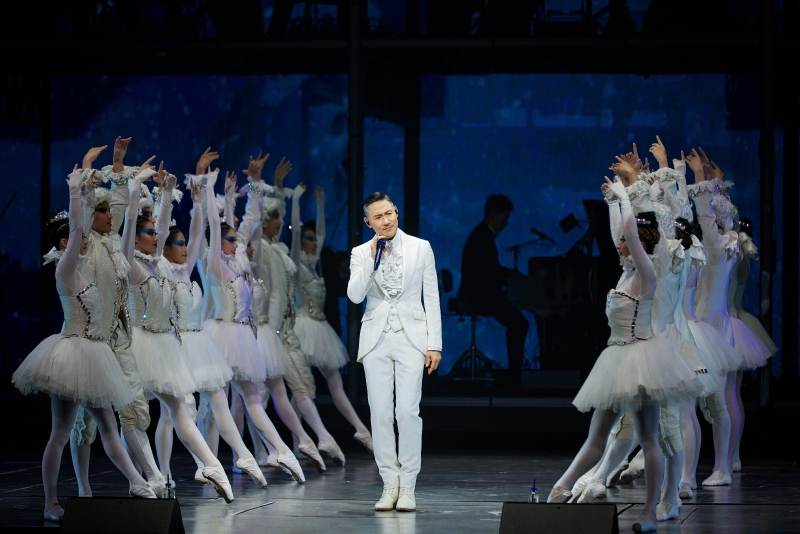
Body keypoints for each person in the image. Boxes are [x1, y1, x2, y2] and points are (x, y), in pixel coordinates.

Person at [548, 161, 702, 534]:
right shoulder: (626, 272)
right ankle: (561, 488)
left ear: (640, 245)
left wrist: (626, 195)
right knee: (599, 435)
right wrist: (615, 201)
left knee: (650, 437)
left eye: (625, 242)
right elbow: (623, 233)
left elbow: (630, 232)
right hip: (617, 359)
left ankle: (651, 510)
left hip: (643, 359)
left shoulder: (648, 273)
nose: (618, 243)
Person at [12, 164, 156, 522]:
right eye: (76, 240)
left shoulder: (89, 264)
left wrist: (111, 186)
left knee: (108, 427)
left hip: (94, 356)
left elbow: (92, 227)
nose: (85, 241)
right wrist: (76, 188)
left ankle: (138, 482)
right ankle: (50, 504)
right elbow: (79, 226)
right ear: (65, 244)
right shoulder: (65, 270)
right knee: (61, 433)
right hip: (70, 355)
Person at [347, 192, 443, 512]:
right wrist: (371, 261)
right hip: (376, 338)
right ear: (368, 222)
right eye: (378, 217)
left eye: (389, 213)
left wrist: (434, 344)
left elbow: (432, 297)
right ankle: (390, 483)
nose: (386, 220)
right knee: (380, 412)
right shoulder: (361, 252)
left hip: (412, 337)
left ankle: (408, 485)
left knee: (407, 411)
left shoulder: (421, 247)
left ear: (396, 212)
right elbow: (355, 296)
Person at [291, 186, 373, 452]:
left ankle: (361, 431)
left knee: (334, 382)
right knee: (300, 388)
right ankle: (299, 441)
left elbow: (322, 235)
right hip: (302, 328)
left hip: (320, 327)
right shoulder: (296, 265)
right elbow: (297, 237)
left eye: (313, 239)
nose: (314, 242)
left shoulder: (315, 265)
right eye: (308, 239)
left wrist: (320, 205)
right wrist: (295, 202)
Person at [457, 194, 528, 385]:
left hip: (481, 293)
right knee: (519, 324)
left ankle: (514, 373)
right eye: (505, 218)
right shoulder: (482, 238)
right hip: (481, 296)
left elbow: (489, 271)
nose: (506, 224)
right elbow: (490, 272)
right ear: (493, 216)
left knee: (517, 322)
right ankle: (514, 376)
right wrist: (512, 277)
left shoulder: (481, 235)